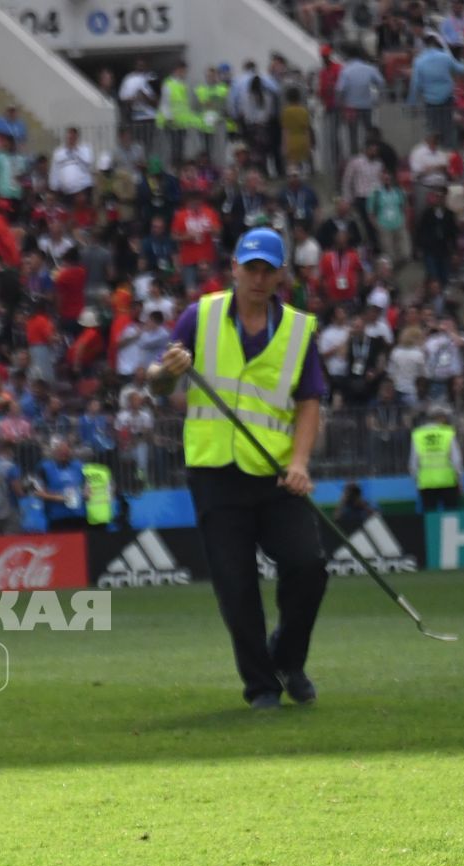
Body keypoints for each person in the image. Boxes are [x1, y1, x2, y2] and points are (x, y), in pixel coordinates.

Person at [149, 227, 326, 709]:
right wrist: (166, 371)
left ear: (280, 275)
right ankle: (261, 686)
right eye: (252, 268)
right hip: (214, 472)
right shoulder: (198, 316)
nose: (259, 277)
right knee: (236, 584)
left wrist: (300, 462)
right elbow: (157, 384)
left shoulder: (297, 329)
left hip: (275, 473)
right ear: (234, 268)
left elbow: (310, 401)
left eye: (269, 270)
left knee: (308, 566)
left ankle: (287, 658)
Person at [410, 407, 464, 512]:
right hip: (448, 481)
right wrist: (460, 480)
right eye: (445, 417)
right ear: (440, 418)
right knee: (451, 516)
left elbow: (413, 462)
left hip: (426, 483)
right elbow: (456, 460)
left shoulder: (418, 434)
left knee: (430, 519)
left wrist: (416, 480)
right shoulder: (447, 433)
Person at [34, 435, 87, 530]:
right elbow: (37, 492)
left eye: (66, 452)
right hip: (57, 518)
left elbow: (87, 487)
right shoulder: (44, 468)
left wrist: (85, 494)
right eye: (61, 452)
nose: (64, 454)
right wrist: (59, 498)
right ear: (54, 452)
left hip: (78, 516)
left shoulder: (78, 466)